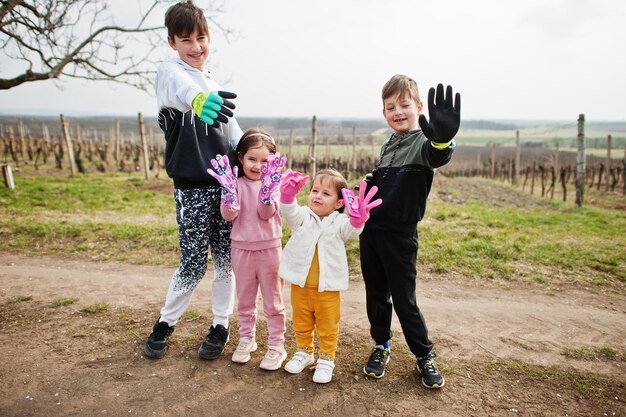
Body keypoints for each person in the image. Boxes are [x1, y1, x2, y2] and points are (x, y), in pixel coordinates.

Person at [143, 0, 244, 361]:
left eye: (201, 37)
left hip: (227, 188)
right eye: (186, 39)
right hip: (192, 190)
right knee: (192, 263)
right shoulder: (169, 74)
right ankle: (165, 323)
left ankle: (220, 325)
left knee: (226, 260)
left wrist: (263, 157)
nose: (196, 46)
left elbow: (236, 138)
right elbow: (183, 88)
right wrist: (199, 99)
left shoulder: (215, 85)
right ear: (172, 42)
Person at [359, 75, 461, 389]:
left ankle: (424, 355)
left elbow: (437, 154)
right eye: (391, 107)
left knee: (405, 300)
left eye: (404, 105)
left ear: (418, 107)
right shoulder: (389, 143)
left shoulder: (421, 142)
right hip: (371, 232)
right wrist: (355, 192)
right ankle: (381, 346)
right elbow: (377, 181)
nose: (398, 111)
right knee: (376, 295)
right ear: (384, 112)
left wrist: (442, 139)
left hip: (399, 237)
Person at [279, 169, 381, 384]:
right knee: (301, 322)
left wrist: (358, 220)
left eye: (326, 194)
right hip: (301, 286)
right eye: (315, 190)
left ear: (338, 203)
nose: (317, 196)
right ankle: (304, 353)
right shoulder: (303, 217)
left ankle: (326, 360)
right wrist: (287, 196)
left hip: (327, 290)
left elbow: (353, 230)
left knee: (327, 327)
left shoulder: (340, 223)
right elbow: (288, 210)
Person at [207, 129, 288, 370]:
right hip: (241, 249)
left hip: (269, 249)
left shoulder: (274, 183)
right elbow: (228, 215)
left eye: (265, 161)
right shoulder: (234, 183)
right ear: (241, 158)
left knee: (273, 301)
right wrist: (229, 195)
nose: (258, 166)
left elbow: (266, 214)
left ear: (273, 162)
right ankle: (246, 340)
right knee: (245, 300)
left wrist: (266, 194)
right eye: (252, 159)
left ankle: (276, 346)